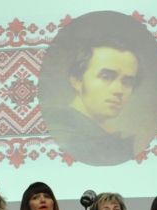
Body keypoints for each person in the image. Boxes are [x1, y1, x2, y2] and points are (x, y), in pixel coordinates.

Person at [45, 36, 140, 165]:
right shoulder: (61, 133)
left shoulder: (107, 135)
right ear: (77, 81)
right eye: (106, 77)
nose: (119, 90)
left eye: (127, 82)